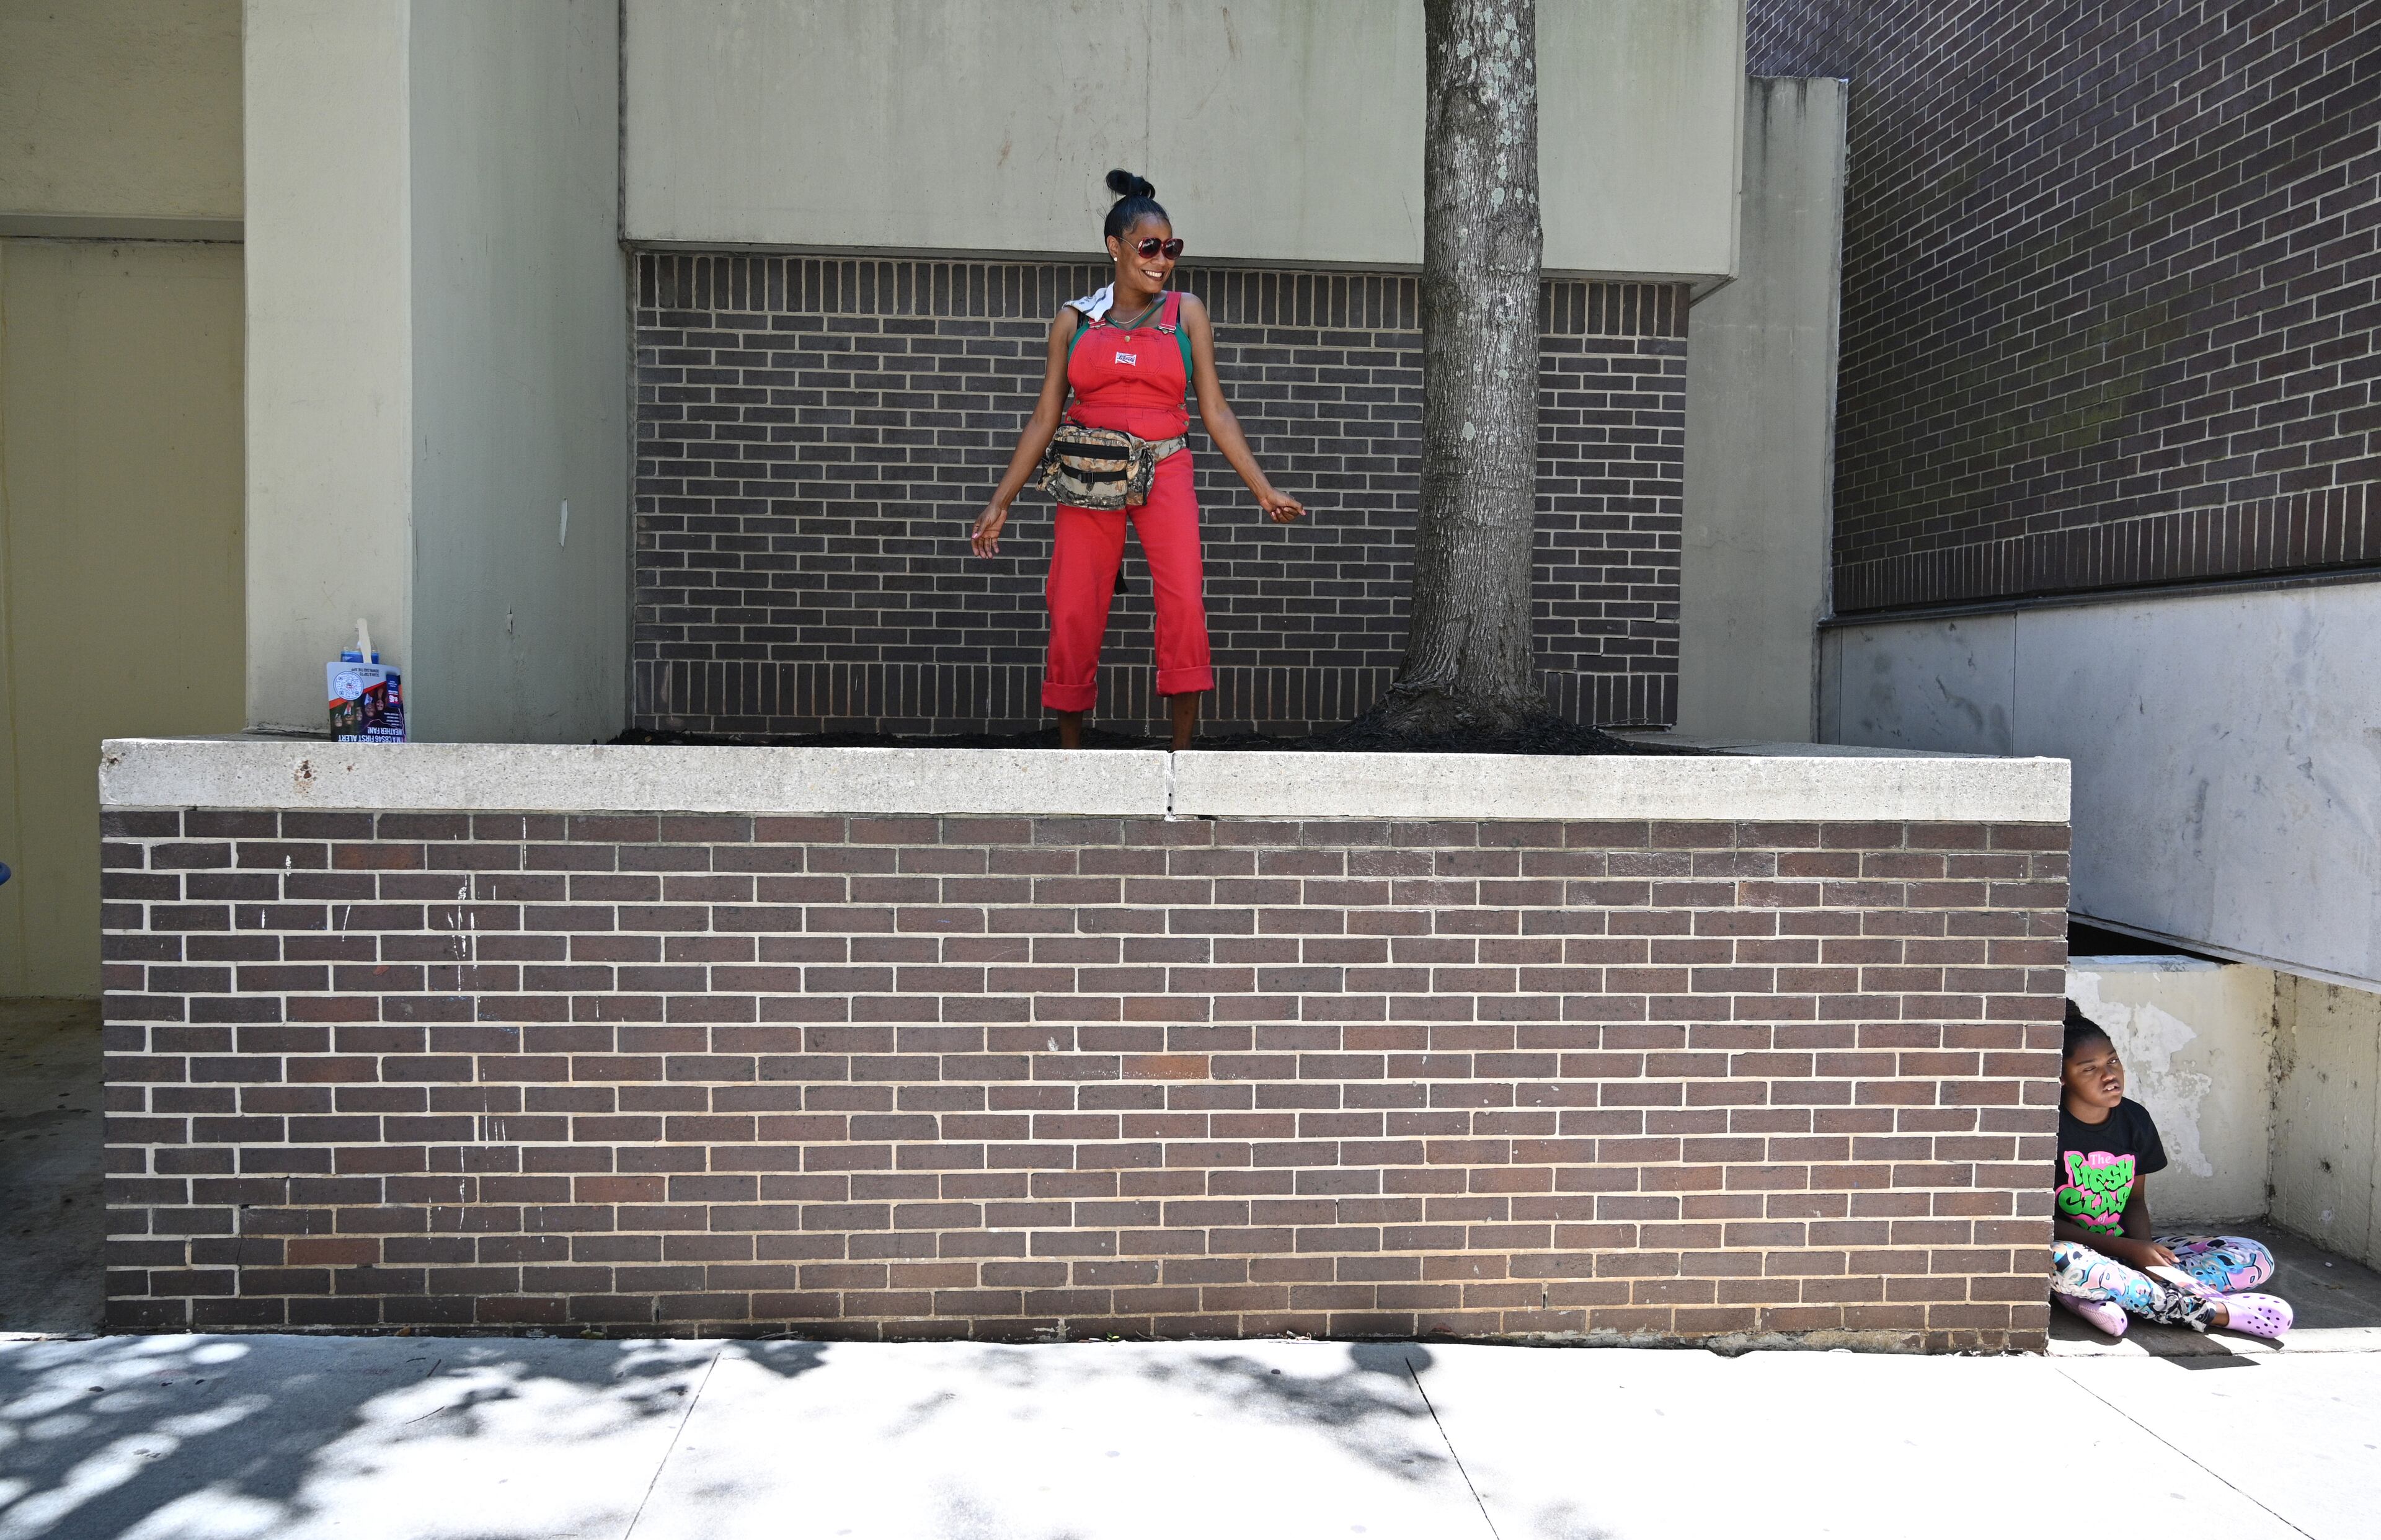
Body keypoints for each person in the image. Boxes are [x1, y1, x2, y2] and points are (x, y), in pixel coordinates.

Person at [969, 170, 1306, 750]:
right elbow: (1045, 416)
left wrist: (1263, 488)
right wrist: (1001, 499)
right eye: (1149, 247)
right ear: (1115, 248)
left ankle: (1182, 759)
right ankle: (1071, 758)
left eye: (1170, 248)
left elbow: (1216, 410)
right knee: (1074, 607)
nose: (1161, 260)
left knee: (1184, 605)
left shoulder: (1186, 312)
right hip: (1088, 478)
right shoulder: (1075, 320)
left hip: (1166, 469)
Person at [2049, 1004, 2292, 1339]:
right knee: (2059, 1259)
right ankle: (2216, 1312)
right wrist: (2130, 1252)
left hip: (2126, 1253)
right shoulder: (2048, 1128)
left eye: (2113, 1061)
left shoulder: (2135, 1120)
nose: (2109, 1076)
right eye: (2089, 1069)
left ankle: (2111, 1296)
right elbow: (2043, 1223)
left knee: (2254, 1256)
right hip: (2078, 1251)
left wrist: (2147, 1256)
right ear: (2063, 1078)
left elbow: (2135, 1201)